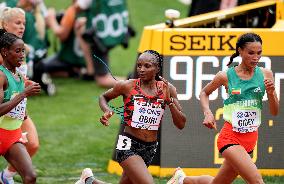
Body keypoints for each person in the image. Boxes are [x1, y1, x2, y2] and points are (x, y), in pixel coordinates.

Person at [167, 32, 279, 184]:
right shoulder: (225, 76)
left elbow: (274, 111)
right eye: (251, 53)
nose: (255, 57)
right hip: (229, 138)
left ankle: (181, 180)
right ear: (240, 51)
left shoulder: (266, 74)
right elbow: (204, 93)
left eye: (259, 53)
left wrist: (271, 93)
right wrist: (208, 113)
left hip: (250, 139)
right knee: (257, 181)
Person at [76, 50, 186, 184]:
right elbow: (103, 97)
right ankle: (176, 181)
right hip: (128, 146)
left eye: (147, 66)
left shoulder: (168, 89)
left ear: (157, 68)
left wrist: (169, 101)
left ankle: (88, 180)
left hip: (149, 148)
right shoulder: (127, 86)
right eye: (139, 65)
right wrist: (107, 111)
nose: (141, 69)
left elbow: (181, 123)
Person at [0, 7, 41, 184]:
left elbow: (14, 79)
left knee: (32, 144)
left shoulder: (18, 48)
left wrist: (25, 83)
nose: (22, 26)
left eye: (24, 23)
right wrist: (22, 93)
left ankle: (6, 176)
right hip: (4, 111)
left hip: (14, 113)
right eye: (18, 22)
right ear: (4, 24)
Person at [74, 0, 131, 87]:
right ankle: (91, 71)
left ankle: (133, 80)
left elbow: (78, 7)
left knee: (102, 79)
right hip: (116, 32)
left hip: (100, 37)